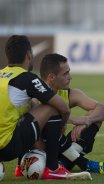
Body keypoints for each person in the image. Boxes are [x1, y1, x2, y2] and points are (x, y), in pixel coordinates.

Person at [0, 35, 73, 180]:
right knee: (51, 106)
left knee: (27, 109)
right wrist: (62, 125)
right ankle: (52, 168)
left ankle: (20, 167)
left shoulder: (1, 75)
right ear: (29, 54)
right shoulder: (28, 78)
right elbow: (64, 108)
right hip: (6, 147)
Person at [39, 53, 104, 174]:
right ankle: (83, 163)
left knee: (94, 116)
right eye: (65, 73)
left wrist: (87, 121)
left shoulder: (69, 93)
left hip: (61, 146)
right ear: (51, 77)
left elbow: (103, 109)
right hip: (40, 149)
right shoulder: (35, 94)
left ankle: (62, 163)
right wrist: (73, 120)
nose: (70, 77)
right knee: (52, 125)